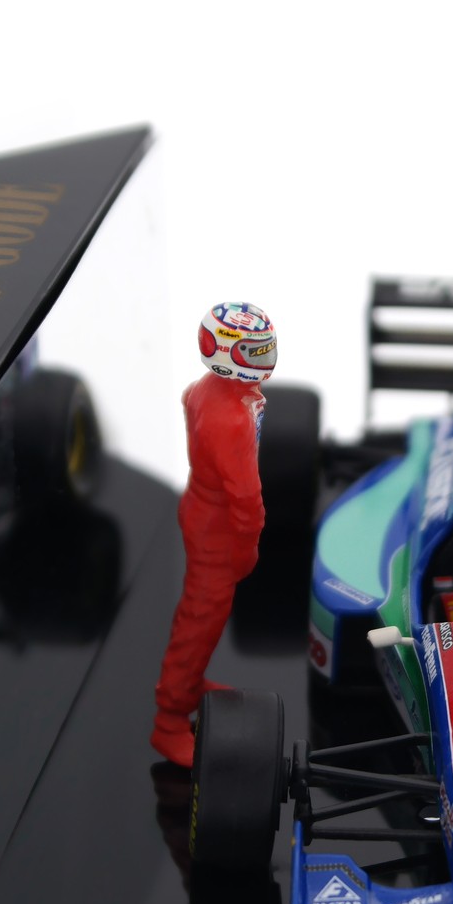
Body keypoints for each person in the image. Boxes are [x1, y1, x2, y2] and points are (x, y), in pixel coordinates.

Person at [152, 302, 275, 765]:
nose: (263, 360)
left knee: (200, 618)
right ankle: (169, 719)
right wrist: (247, 545)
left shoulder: (207, 390)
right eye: (253, 352)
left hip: (202, 509)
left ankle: (187, 683)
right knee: (201, 621)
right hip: (219, 525)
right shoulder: (231, 418)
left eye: (264, 349)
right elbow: (246, 497)